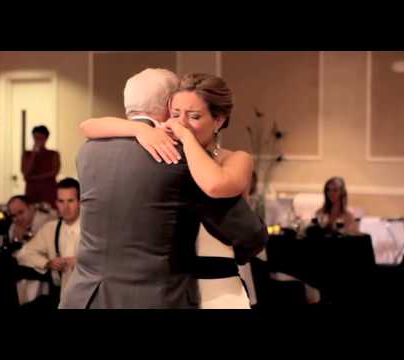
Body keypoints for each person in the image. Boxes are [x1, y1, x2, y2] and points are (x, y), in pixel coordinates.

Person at [60, 68, 267, 309]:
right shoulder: (178, 159)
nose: (180, 121)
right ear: (169, 107)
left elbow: (87, 126)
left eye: (192, 114)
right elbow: (248, 234)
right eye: (176, 112)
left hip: (86, 295)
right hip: (156, 296)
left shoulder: (88, 151)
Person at [16, 178, 81, 307]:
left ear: (80, 202)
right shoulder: (50, 228)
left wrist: (77, 262)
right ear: (56, 203)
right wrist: (48, 263)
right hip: (59, 297)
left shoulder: (92, 230)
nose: (66, 207)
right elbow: (24, 254)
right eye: (61, 201)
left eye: (70, 201)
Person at [21, 125, 61, 208]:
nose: (38, 141)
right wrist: (33, 155)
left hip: (48, 191)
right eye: (35, 138)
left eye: (40, 138)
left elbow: (54, 172)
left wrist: (34, 178)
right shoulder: (27, 154)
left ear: (46, 138)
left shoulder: (53, 154)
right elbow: (26, 173)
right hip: (32, 192)